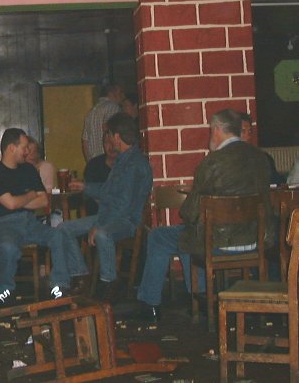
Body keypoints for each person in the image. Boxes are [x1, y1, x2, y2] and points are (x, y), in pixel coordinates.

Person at [133, 109, 273, 322]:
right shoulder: (261, 159)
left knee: (161, 236)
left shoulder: (212, 162)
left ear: (216, 130)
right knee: (191, 236)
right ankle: (197, 297)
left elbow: (190, 212)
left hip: (219, 243)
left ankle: (151, 303)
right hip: (256, 241)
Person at [60, 112, 152, 302]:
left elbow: (123, 204)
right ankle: (81, 276)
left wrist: (100, 224)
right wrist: (86, 186)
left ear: (117, 136)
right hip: (111, 215)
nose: (108, 140)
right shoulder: (123, 160)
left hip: (127, 221)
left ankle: (109, 284)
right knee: (64, 228)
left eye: (109, 135)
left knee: (102, 233)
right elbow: (109, 191)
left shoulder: (134, 164)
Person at [0, 128, 72, 306]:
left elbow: (43, 201)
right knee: (9, 247)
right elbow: (11, 205)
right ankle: (4, 291)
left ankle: (59, 287)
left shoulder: (29, 170)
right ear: (11, 148)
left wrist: (18, 200)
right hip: (5, 224)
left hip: (30, 222)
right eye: (24, 147)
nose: (27, 152)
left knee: (57, 235)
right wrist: (30, 194)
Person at [82, 83, 125, 161]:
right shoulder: (113, 107)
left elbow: (85, 141)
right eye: (120, 93)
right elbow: (107, 128)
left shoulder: (91, 112)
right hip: (108, 161)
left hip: (94, 162)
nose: (123, 96)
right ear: (111, 93)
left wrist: (90, 162)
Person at [239, 112, 285, 185]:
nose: (248, 136)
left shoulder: (263, 157)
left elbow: (276, 181)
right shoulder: (228, 160)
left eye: (249, 132)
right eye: (243, 131)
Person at [82, 131, 118, 215]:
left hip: (122, 216)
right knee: (65, 227)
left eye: (113, 143)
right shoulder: (94, 165)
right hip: (97, 216)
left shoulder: (127, 165)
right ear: (103, 145)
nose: (111, 147)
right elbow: (92, 193)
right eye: (107, 143)